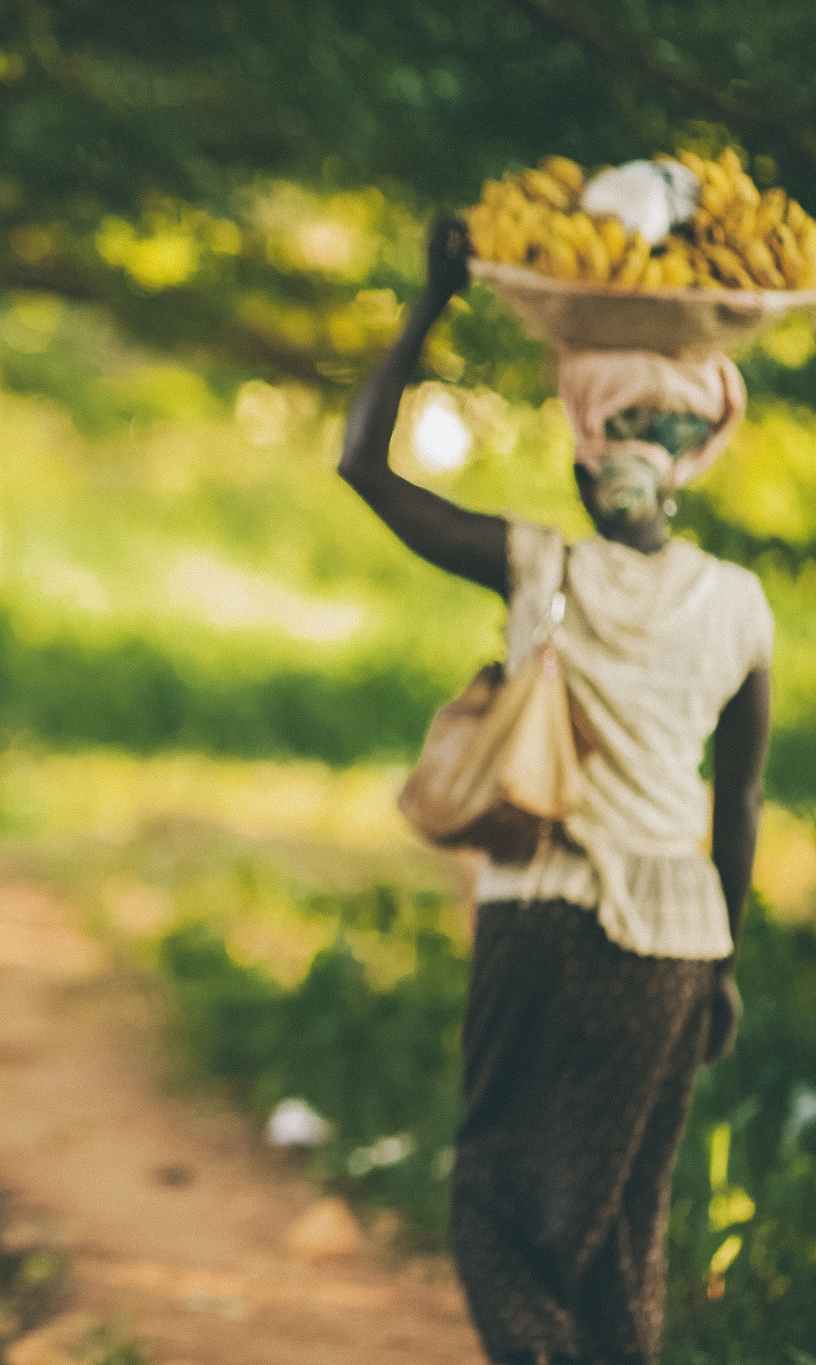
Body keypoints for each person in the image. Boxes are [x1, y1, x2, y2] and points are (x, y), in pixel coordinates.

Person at [339, 219, 771, 1365]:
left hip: (544, 920)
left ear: (585, 449)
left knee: (496, 1201)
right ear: (691, 455)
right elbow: (735, 813)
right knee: (620, 1225)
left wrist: (431, 300)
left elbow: (360, 467)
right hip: (677, 940)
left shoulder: (542, 567)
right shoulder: (740, 608)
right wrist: (720, 969)